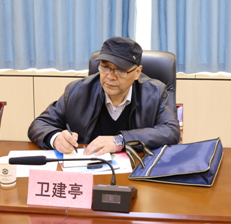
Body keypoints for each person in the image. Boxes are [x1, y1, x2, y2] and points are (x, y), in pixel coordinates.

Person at [28, 36, 180, 155]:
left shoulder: (155, 92)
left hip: (135, 170)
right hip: (87, 171)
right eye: (105, 67)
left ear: (137, 72)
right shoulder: (77, 91)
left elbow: (171, 131)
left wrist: (120, 140)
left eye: (120, 70)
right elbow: (39, 124)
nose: (110, 76)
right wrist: (55, 138)